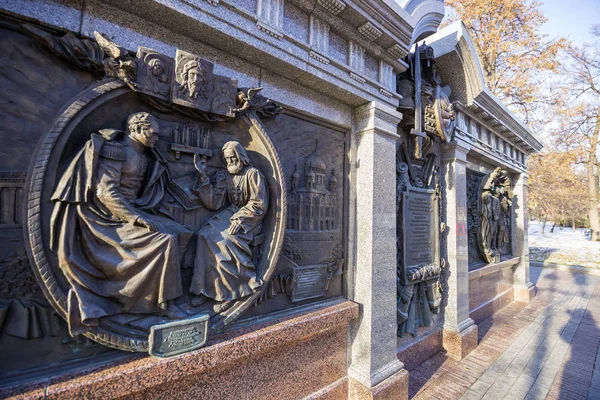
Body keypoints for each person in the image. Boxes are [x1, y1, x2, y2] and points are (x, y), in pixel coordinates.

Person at [50, 112, 190, 336]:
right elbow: (107, 193)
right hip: (105, 218)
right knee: (164, 240)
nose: (157, 138)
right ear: (137, 129)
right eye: (153, 133)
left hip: (134, 211)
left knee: (183, 233)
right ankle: (163, 304)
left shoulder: (145, 155)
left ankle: (163, 290)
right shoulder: (116, 150)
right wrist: (136, 217)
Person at [190, 141, 268, 309]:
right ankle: (207, 289)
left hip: (248, 219)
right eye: (227, 159)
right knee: (203, 236)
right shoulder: (224, 175)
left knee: (225, 242)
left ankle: (231, 292)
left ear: (240, 156)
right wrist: (203, 176)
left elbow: (258, 204)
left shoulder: (253, 174)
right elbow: (214, 202)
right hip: (229, 214)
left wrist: (240, 220)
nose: (230, 161)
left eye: (233, 157)